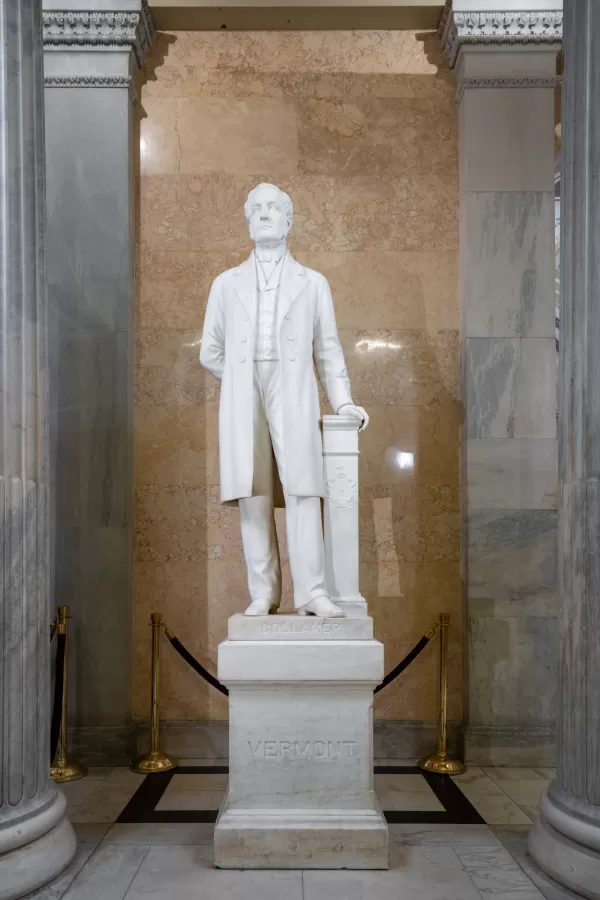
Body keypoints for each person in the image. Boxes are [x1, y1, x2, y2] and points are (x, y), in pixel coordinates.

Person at [200, 183, 368, 617]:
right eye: (256, 207)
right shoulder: (225, 284)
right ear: (247, 219)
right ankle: (264, 592)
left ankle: (312, 591)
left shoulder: (313, 284)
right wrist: (239, 378)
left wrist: (343, 402)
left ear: (290, 220)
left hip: (292, 387)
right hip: (246, 387)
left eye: (273, 207)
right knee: (252, 490)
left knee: (303, 488)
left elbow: (328, 351)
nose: (264, 213)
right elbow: (209, 352)